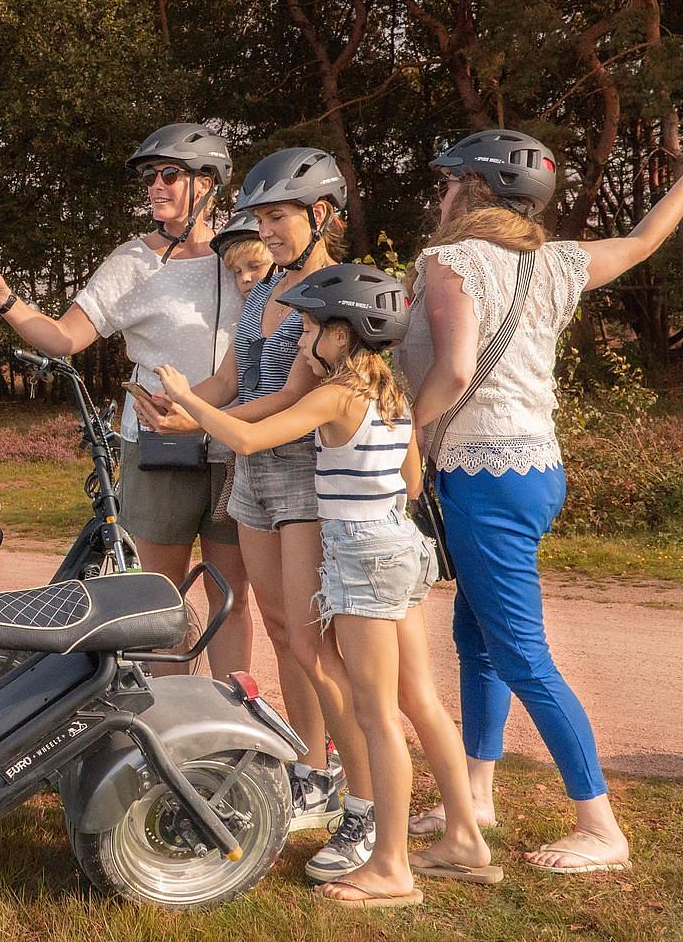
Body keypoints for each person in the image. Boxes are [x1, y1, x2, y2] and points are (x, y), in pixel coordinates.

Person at [396, 113, 683, 874]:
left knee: (521, 654)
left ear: (477, 190)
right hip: (533, 468)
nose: (442, 195)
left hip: (483, 473)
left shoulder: (449, 259)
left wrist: (405, 430)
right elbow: (644, 240)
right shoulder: (558, 261)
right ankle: (477, 796)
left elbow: (455, 369)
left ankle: (600, 825)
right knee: (478, 638)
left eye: (450, 182)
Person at [157, 264, 499, 906]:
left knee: (376, 713)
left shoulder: (337, 395)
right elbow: (413, 482)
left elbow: (248, 437)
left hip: (363, 556)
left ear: (342, 335)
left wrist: (189, 398)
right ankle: (465, 839)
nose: (303, 337)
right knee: (419, 698)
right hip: (400, 547)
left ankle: (391, 866)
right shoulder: (392, 393)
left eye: (311, 327)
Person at [137, 148, 370, 866]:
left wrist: (204, 419)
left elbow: (290, 400)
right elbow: (232, 378)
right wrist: (182, 410)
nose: (265, 231)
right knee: (278, 626)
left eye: (277, 217)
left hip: (305, 477)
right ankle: (311, 770)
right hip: (253, 477)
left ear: (321, 214)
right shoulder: (265, 285)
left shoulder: (334, 294)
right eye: (260, 218)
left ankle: (357, 799)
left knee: (311, 641)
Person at [0, 123, 248, 677]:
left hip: (236, 441)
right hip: (159, 443)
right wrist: (6, 300)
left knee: (230, 594)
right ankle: (172, 712)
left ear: (208, 182)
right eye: (149, 177)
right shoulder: (132, 261)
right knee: (161, 595)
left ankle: (234, 712)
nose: (155, 186)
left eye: (169, 175)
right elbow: (65, 338)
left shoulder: (243, 255)